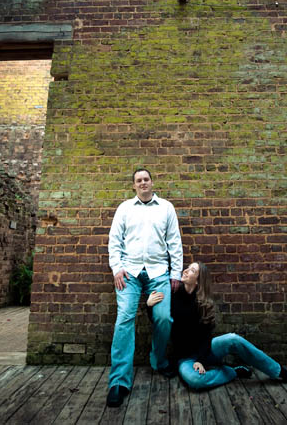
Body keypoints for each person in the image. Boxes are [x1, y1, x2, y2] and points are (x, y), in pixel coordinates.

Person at [147, 261, 287, 391]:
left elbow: (206, 336)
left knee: (233, 339)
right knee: (195, 381)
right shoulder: (173, 296)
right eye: (187, 268)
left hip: (206, 350)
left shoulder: (204, 303)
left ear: (199, 280)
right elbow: (161, 324)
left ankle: (280, 372)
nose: (186, 271)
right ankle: (232, 371)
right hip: (184, 358)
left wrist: (200, 359)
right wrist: (149, 306)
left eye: (192, 270)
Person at [106, 168, 183, 407]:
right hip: (129, 273)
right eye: (138, 180)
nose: (143, 183)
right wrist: (116, 268)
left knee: (163, 319)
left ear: (152, 182)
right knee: (124, 320)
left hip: (158, 273)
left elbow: (174, 242)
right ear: (134, 186)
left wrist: (177, 274)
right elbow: (114, 240)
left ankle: (159, 361)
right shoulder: (124, 209)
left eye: (146, 179)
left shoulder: (166, 208)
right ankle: (119, 381)